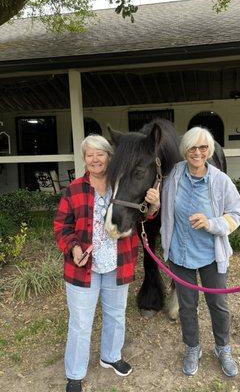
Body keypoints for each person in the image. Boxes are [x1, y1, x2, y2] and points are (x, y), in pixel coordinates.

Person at [54, 134, 160, 392]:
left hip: (117, 263)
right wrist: (73, 248)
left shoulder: (120, 186)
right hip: (83, 267)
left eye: (100, 153)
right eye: (89, 155)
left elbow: (141, 218)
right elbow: (61, 226)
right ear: (84, 159)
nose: (94, 159)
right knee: (80, 322)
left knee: (115, 315)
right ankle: (75, 374)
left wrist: (154, 207)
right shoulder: (75, 189)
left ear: (109, 157)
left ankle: (110, 356)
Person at [160, 127, 240, 377]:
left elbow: (237, 215)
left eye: (203, 148)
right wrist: (154, 202)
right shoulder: (173, 175)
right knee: (187, 306)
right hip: (180, 254)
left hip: (211, 254)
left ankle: (223, 348)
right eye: (192, 148)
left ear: (209, 151)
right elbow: (163, 207)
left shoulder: (220, 181)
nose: (197, 153)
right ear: (185, 150)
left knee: (218, 304)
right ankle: (192, 347)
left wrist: (211, 223)